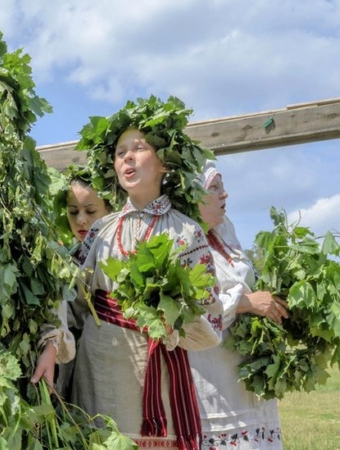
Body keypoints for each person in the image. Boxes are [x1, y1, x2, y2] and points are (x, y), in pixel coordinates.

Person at [71, 96, 223, 450]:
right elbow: (74, 302)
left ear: (165, 164)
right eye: (120, 151)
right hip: (99, 371)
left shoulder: (188, 233)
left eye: (138, 148)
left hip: (159, 375)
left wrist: (175, 324)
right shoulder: (100, 231)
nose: (127, 156)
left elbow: (211, 321)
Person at [189, 162, 285, 449]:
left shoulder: (223, 234)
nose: (225, 194)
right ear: (193, 194)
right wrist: (246, 303)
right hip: (211, 371)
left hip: (242, 366)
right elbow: (193, 309)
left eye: (223, 186)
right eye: (214, 187)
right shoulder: (184, 240)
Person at [53, 166, 112, 399]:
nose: (80, 220)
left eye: (90, 211)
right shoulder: (70, 255)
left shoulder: (113, 251)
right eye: (72, 211)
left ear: (110, 208)